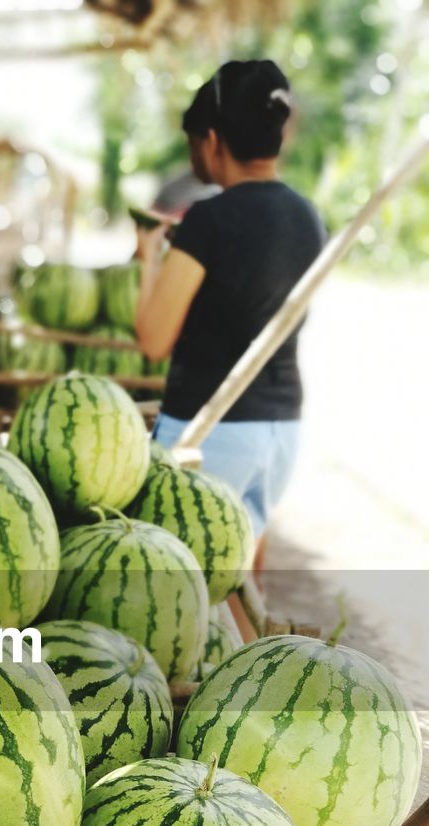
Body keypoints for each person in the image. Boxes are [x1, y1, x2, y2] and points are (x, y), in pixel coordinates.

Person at [135, 60, 326, 562]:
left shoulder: (208, 219)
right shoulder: (308, 217)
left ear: (213, 141)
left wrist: (150, 259)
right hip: (281, 432)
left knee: (182, 596)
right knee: (238, 580)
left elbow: (153, 340)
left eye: (194, 143)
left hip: (209, 435)